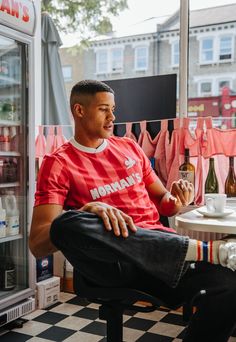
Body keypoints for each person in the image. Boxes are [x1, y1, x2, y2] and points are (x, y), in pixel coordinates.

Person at [29, 80, 236, 342]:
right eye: (104, 109)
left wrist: (178, 200)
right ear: (79, 110)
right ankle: (204, 250)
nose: (112, 117)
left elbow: (164, 201)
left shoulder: (128, 147)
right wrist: (87, 210)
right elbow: (38, 243)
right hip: (114, 261)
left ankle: (199, 251)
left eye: (113, 109)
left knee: (230, 285)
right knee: (66, 223)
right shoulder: (58, 162)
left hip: (164, 252)